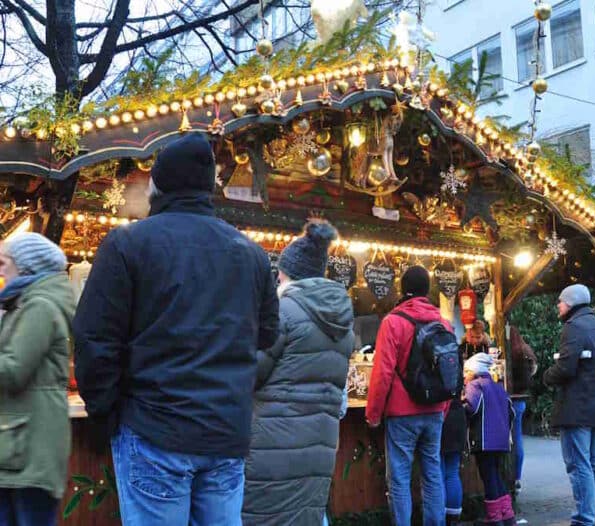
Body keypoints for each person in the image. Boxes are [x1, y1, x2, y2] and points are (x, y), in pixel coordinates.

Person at [73, 133, 279, 526]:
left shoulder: (128, 245)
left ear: (158, 184)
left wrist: (106, 414)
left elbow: (94, 339)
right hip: (225, 433)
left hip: (154, 431)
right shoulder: (250, 253)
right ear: (208, 187)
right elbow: (267, 334)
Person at [242, 220, 354, 525]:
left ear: (287, 273)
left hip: (273, 445)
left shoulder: (283, 312)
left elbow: (250, 374)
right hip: (319, 447)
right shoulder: (342, 324)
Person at [0, 233, 75, 526]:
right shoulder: (24, 303)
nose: (1, 269)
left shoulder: (39, 307)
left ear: (26, 267)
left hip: (31, 448)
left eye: (6, 262)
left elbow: (14, 369)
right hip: (20, 445)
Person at [366, 266, 449, 526]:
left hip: (402, 414)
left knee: (400, 478)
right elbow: (449, 372)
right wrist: (443, 408)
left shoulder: (393, 322)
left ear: (403, 289)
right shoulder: (443, 323)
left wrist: (373, 414)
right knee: (433, 474)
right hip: (435, 411)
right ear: (427, 290)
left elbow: (382, 374)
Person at [544, 284, 595, 526]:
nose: (559, 306)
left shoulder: (573, 327)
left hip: (575, 407)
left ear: (571, 303)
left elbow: (566, 367)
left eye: (561, 302)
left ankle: (584, 519)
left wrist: (547, 376)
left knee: (579, 465)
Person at [464, 352, 515, 526]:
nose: (465, 375)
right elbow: (511, 412)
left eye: (467, 371)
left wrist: (461, 406)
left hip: (484, 440)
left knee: (488, 477)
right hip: (501, 440)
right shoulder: (499, 387)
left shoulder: (475, 385)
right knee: (496, 475)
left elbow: (473, 408)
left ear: (474, 371)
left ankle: (495, 518)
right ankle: (507, 516)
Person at [509, 325, 537, 495]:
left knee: (507, 439)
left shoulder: (510, 352)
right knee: (518, 438)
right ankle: (517, 477)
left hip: (508, 399)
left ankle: (508, 476)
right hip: (520, 400)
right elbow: (532, 372)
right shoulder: (525, 352)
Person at [440, 353, 466, 526]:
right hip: (457, 414)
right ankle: (454, 517)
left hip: (440, 414)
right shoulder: (455, 352)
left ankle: (439, 516)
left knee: (438, 472)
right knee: (452, 471)